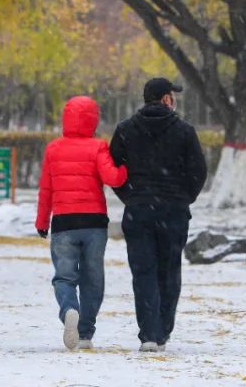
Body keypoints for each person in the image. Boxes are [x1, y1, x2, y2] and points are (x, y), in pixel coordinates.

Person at [109, 77, 207, 352]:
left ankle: (149, 335)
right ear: (166, 99)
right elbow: (198, 172)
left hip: (138, 212)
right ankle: (163, 331)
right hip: (173, 213)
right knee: (169, 271)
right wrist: (183, 197)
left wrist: (131, 195)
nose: (174, 100)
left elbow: (113, 171)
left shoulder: (126, 129)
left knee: (143, 273)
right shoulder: (185, 131)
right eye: (172, 96)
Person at [35, 95, 128, 351]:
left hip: (64, 223)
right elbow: (113, 178)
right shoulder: (98, 147)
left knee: (64, 277)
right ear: (93, 120)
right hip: (94, 223)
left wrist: (42, 222)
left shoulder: (53, 149)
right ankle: (85, 332)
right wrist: (126, 170)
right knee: (92, 278)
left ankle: (69, 310)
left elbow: (46, 190)